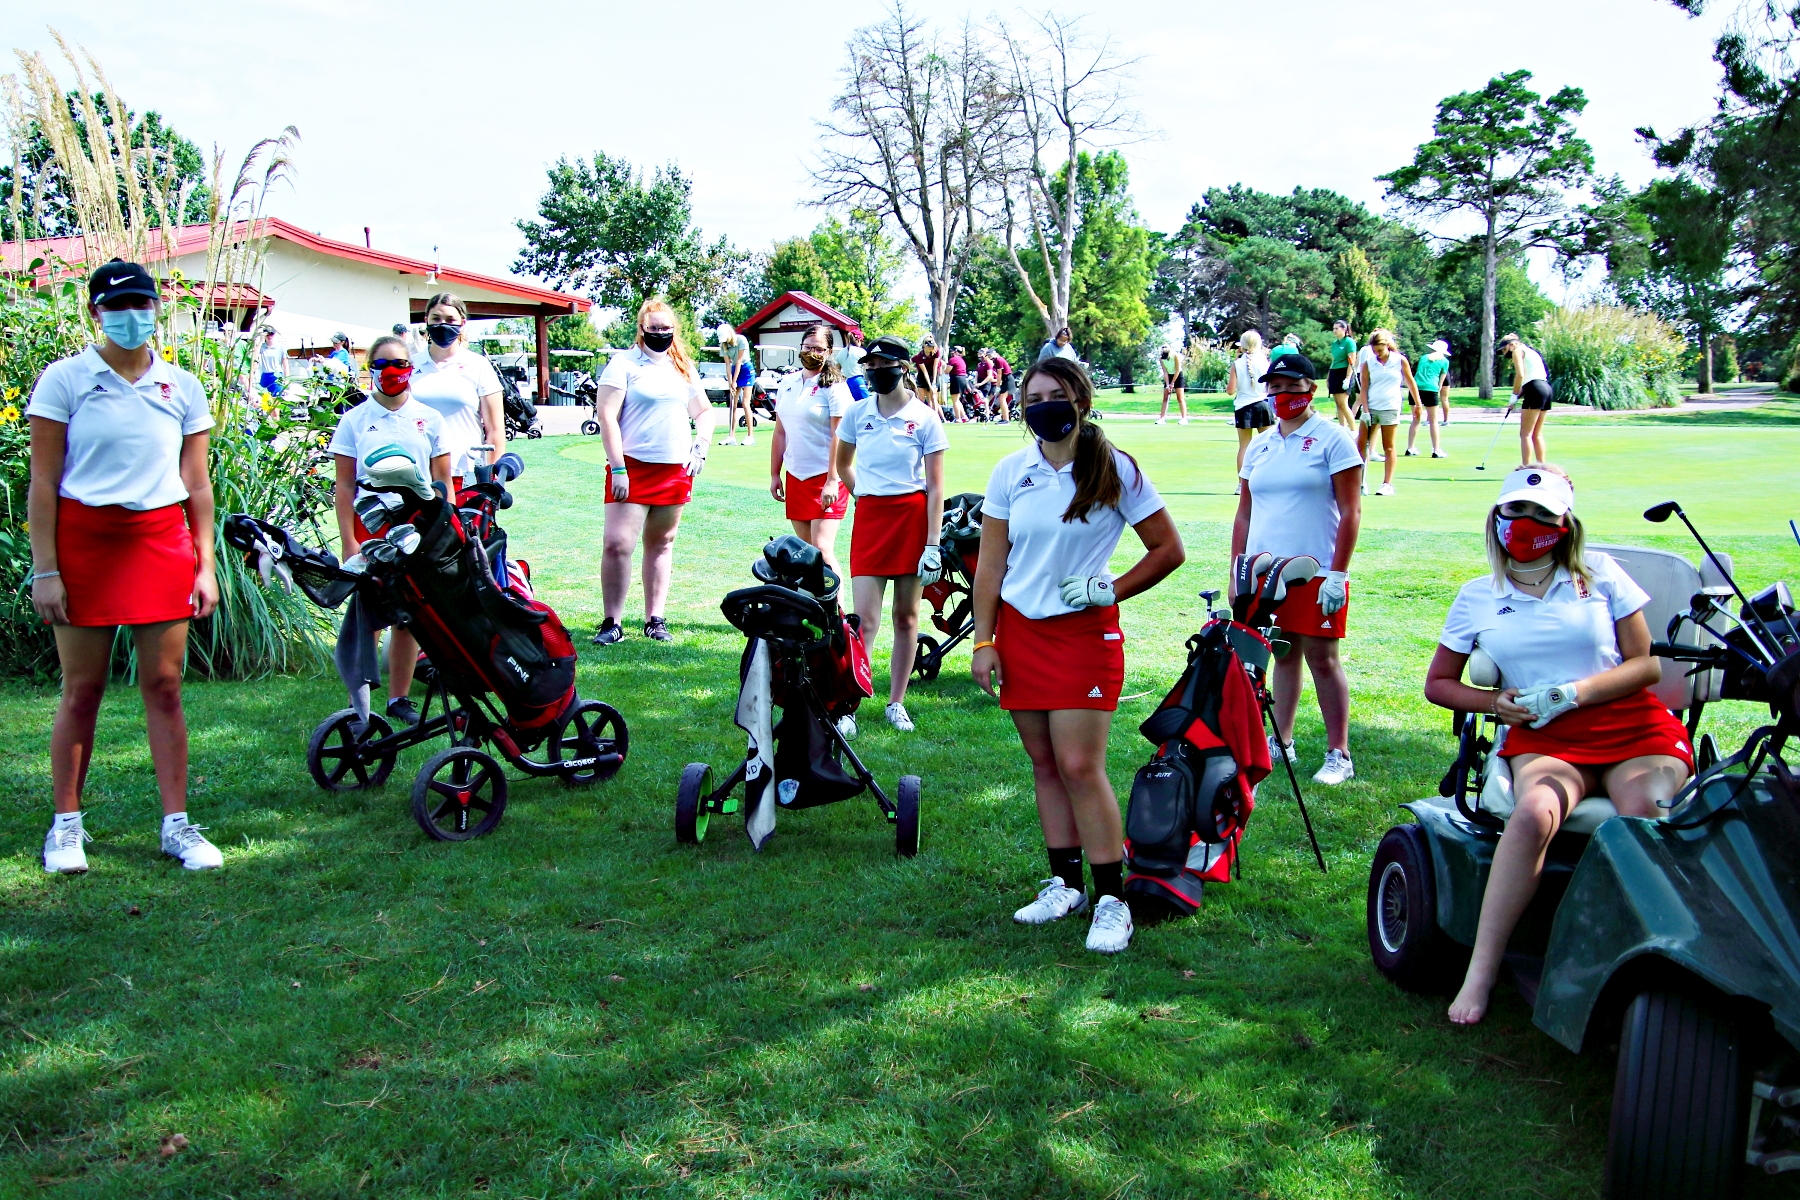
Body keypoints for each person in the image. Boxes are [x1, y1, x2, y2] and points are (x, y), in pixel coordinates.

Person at [1424, 465, 1693, 1024]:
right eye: (1515, 511)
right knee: (1532, 814)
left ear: (1565, 525)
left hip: (1631, 726)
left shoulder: (1601, 576)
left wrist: (1574, 691)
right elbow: (1439, 685)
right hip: (1544, 735)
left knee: (1642, 815)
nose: (1525, 524)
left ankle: (1639, 968)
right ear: (1497, 518)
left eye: (1541, 515)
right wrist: (1493, 703)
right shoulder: (1477, 595)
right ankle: (1482, 970)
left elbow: (1645, 666)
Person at [971, 356, 1184, 954]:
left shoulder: (1115, 469)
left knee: (1079, 766)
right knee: (1044, 766)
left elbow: (1169, 549)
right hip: (1020, 633)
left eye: (1054, 394)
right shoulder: (1012, 471)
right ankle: (1065, 884)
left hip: (1084, 637)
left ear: (1080, 399)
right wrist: (985, 640)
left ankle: (1113, 898)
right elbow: (991, 564)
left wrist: (1109, 588)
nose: (1042, 406)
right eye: (1032, 397)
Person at [28, 259, 224, 874]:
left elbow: (197, 484)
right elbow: (43, 480)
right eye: (118, 307)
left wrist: (205, 565)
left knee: (164, 688)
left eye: (143, 304)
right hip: (86, 542)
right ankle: (66, 827)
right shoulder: (65, 380)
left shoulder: (182, 386)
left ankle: (176, 826)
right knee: (81, 689)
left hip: (160, 542)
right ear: (95, 313)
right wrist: (46, 569)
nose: (133, 317)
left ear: (156, 310)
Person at [1233, 352, 1364, 787]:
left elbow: (1350, 511)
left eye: (1293, 386)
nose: (1283, 394)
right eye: (1275, 386)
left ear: (1311, 389)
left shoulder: (1333, 438)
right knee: (1282, 654)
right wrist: (1238, 569)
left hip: (1315, 570)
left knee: (1323, 660)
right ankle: (1282, 740)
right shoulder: (1262, 443)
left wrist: (1338, 574)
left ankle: (1338, 752)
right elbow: (1244, 514)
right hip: (1267, 572)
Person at [330, 334, 453, 724]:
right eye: (381, 365)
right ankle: (361, 700)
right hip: (371, 526)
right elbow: (345, 485)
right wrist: (349, 541)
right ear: (371, 370)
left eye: (399, 364)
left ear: (410, 368)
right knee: (368, 612)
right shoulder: (354, 421)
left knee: (409, 613)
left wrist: (441, 530)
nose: (391, 372)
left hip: (417, 527)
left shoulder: (430, 419)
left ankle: (399, 699)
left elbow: (443, 479)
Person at [833, 337, 948, 733]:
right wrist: (860, 491)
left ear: (903, 368)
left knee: (907, 616)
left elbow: (935, 487)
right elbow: (843, 463)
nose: (874, 370)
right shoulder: (858, 412)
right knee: (864, 619)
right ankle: (849, 704)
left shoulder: (925, 418)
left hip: (912, 518)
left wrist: (932, 543)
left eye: (883, 364)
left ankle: (896, 702)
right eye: (870, 364)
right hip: (871, 519)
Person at [593, 298, 717, 645]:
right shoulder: (623, 364)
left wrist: (701, 446)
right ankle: (612, 622)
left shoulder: (682, 366)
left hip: (674, 469)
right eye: (654, 328)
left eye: (667, 329)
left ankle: (655, 618)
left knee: (661, 543)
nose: (660, 334)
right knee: (617, 544)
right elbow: (607, 417)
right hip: (631, 466)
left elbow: (704, 412)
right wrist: (618, 467)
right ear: (642, 328)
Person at [772, 322, 854, 573]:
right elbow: (780, 431)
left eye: (818, 349)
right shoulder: (787, 383)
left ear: (829, 352)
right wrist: (775, 474)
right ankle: (814, 609)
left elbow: (839, 435)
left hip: (825, 477)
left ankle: (836, 611)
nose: (812, 353)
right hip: (796, 475)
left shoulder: (835, 387)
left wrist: (832, 478)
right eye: (808, 347)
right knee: (805, 552)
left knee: (822, 549)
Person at [408, 293, 503, 492]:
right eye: (436, 319)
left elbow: (494, 430)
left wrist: (493, 479)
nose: (443, 324)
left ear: (462, 323)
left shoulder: (478, 365)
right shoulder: (410, 365)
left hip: (465, 474)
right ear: (426, 321)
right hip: (416, 474)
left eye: (450, 320)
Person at [1356, 329, 1419, 497]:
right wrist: (1366, 411)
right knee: (1361, 444)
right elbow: (1364, 388)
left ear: (1387, 345)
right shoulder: (1368, 363)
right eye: (1374, 350)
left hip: (1390, 407)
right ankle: (1360, 482)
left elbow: (1411, 383)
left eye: (1380, 349)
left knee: (1388, 446)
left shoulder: (1399, 360)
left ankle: (1387, 484)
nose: (1377, 353)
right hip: (1371, 407)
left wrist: (1418, 404)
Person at [1498, 333, 1552, 466]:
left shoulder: (1517, 351)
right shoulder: (1532, 351)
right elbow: (1531, 380)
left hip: (1534, 389)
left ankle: (1526, 468)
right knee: (1537, 434)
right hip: (1546, 389)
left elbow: (1520, 375)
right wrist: (1516, 399)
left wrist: (1513, 395)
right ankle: (1541, 467)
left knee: (1525, 434)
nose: (1505, 354)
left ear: (1511, 345)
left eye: (1504, 350)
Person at [1227, 330, 1272, 490]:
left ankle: (1241, 485)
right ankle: (1269, 480)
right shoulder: (1265, 362)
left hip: (1243, 406)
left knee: (1244, 446)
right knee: (1269, 444)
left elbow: (1230, 390)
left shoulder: (1237, 364)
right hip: (1262, 404)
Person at [1405, 339, 1451, 459]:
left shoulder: (1424, 357)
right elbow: (1441, 382)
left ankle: (1410, 448)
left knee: (1416, 419)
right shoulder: (1445, 361)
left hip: (1415, 389)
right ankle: (1436, 450)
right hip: (1431, 389)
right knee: (1433, 420)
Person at [717, 321, 756, 446]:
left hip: (746, 370)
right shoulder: (723, 345)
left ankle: (750, 436)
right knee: (733, 404)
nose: (725, 340)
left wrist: (734, 382)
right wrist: (730, 383)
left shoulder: (741, 340)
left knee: (745, 403)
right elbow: (728, 364)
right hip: (734, 370)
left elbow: (739, 361)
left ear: (730, 332)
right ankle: (731, 436)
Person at [1326, 320, 1358, 428]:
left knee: (1343, 404)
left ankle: (1353, 430)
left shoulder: (1349, 342)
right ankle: (1342, 428)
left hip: (1344, 372)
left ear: (1344, 329)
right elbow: (1334, 361)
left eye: (1337, 328)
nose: (1334, 331)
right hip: (1335, 372)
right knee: (1338, 404)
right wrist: (1328, 377)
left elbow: (1352, 360)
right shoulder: (1335, 344)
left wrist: (1348, 378)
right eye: (1333, 328)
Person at [1155, 344, 1188, 425]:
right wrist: (1167, 385)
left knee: (1180, 398)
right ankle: (1162, 418)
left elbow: (1177, 370)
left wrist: (1172, 383)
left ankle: (1184, 419)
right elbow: (1165, 372)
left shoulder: (1175, 356)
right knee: (1165, 397)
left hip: (1178, 375)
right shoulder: (1161, 359)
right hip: (1168, 376)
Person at [835, 326, 869, 402]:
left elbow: (837, 372)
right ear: (858, 340)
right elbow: (867, 368)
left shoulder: (841, 353)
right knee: (866, 403)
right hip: (858, 381)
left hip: (846, 383)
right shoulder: (861, 352)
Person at [912, 336, 943, 412]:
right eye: (929, 346)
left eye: (932, 346)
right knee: (921, 397)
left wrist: (934, 382)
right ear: (925, 345)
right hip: (923, 375)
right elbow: (924, 372)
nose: (931, 348)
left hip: (933, 373)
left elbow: (935, 367)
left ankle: (935, 416)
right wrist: (929, 385)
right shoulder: (920, 356)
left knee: (933, 396)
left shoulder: (936, 351)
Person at [256, 327, 286, 397]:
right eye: (267, 334)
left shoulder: (281, 347)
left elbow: (285, 365)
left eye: (271, 334)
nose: (269, 336)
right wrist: (260, 341)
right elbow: (255, 356)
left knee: (276, 398)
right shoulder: (261, 347)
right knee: (263, 398)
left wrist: (286, 379)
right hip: (265, 375)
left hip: (277, 375)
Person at [946, 345, 970, 422]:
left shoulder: (953, 359)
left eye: (953, 351)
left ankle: (958, 418)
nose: (951, 352)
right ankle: (964, 416)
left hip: (956, 378)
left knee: (955, 400)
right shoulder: (961, 360)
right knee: (957, 399)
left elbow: (947, 371)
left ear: (956, 351)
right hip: (963, 379)